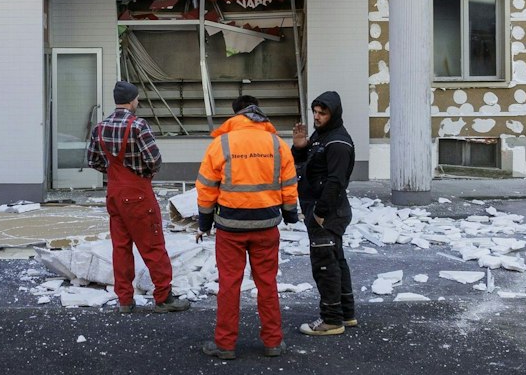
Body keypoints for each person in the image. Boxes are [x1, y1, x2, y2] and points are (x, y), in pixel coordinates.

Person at [195, 95, 299, 359]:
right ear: (259, 114)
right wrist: (290, 213)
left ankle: (225, 345)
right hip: (266, 225)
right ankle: (273, 342)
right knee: (267, 283)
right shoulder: (276, 143)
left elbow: (206, 186)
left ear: (235, 116)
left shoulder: (222, 143)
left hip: (230, 227)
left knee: (229, 284)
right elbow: (289, 181)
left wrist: (204, 221)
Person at [86, 81, 189, 313]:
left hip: (114, 193)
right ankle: (163, 297)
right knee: (153, 246)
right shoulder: (138, 126)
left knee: (120, 248)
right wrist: (143, 174)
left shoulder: (100, 128)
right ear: (132, 100)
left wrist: (113, 172)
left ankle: (124, 300)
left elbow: (93, 160)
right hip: (138, 194)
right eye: (137, 99)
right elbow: (155, 160)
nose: (138, 102)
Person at [291, 92, 356, 337]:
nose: (317, 117)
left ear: (334, 113)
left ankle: (331, 319)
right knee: (335, 260)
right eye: (315, 112)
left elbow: (336, 180)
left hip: (327, 211)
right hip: (323, 209)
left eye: (323, 113)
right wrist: (299, 148)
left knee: (325, 266)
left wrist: (320, 212)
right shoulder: (322, 136)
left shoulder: (337, 142)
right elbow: (309, 167)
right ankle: (345, 314)